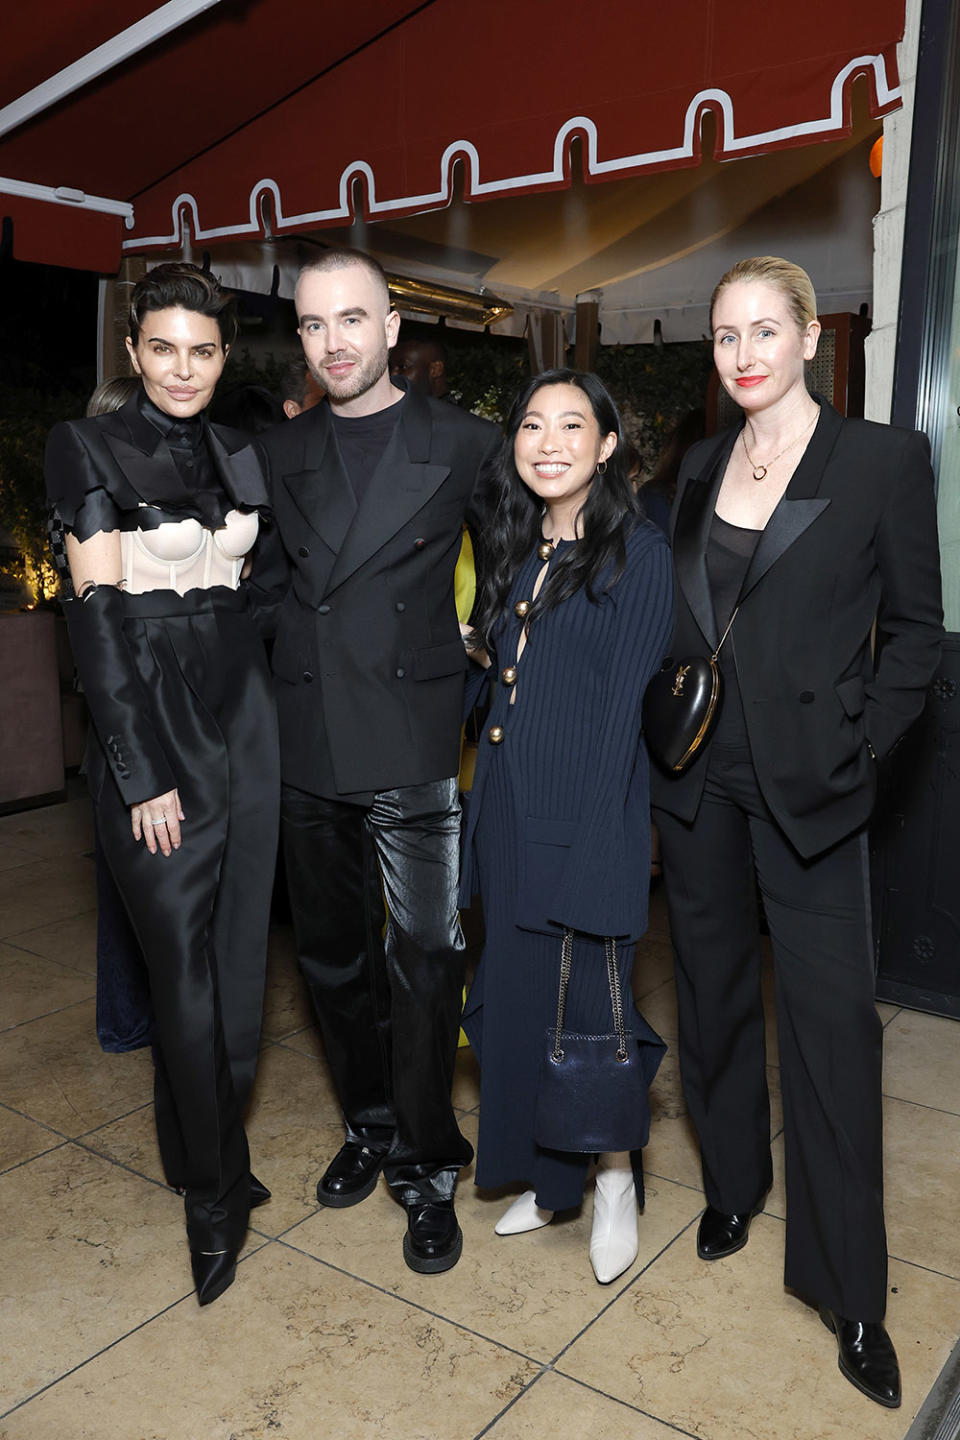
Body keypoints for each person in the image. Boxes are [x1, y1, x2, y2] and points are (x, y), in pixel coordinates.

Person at [650, 256, 943, 1408]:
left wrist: (856, 746)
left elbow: (918, 632)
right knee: (712, 996)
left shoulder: (879, 460)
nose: (745, 352)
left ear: (810, 336)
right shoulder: (697, 466)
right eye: (725, 336)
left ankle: (849, 1289)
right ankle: (733, 1182)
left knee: (831, 1035)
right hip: (697, 784)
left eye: (766, 328)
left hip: (813, 788)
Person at [253, 248, 500, 1274]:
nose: (336, 341)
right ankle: (368, 1126)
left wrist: (475, 664)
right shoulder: (277, 448)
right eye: (315, 325)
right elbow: (261, 583)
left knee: (427, 961)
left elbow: (515, 566)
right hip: (309, 738)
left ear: (393, 326)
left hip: (410, 735)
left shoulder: (467, 441)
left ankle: (427, 1164)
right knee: (331, 963)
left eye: (354, 319)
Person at [44, 262, 280, 1307]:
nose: (184, 368)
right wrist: (138, 773)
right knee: (180, 975)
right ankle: (213, 1199)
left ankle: (206, 1146)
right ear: (133, 351)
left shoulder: (239, 448)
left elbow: (260, 595)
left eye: (205, 349)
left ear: (223, 356)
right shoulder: (86, 446)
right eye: (164, 348)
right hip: (155, 731)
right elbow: (93, 622)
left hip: (247, 723)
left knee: (236, 965)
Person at [459, 369, 674, 1284]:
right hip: (505, 811)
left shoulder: (638, 551)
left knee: (591, 1011)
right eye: (532, 425)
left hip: (587, 819)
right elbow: (504, 689)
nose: (549, 442)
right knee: (515, 1009)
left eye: (572, 426)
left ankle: (615, 1180)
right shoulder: (515, 544)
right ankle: (551, 1182)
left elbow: (623, 712)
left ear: (608, 445)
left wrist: (599, 855)